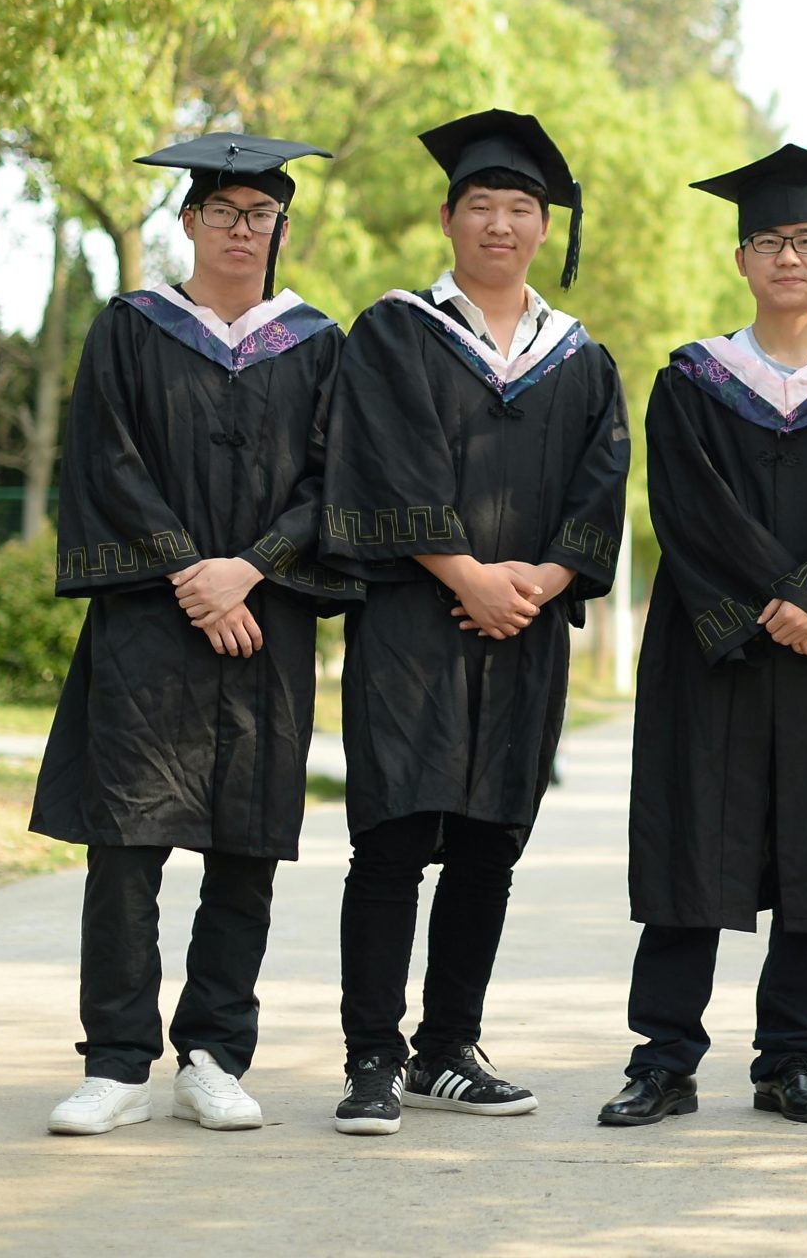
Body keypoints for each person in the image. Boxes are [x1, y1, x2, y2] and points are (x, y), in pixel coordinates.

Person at [34, 131, 358, 1137]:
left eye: (260, 215)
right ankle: (118, 1062)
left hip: (265, 620)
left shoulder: (316, 343)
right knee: (124, 845)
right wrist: (189, 572)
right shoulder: (129, 329)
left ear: (281, 228)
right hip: (148, 615)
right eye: (224, 213)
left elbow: (332, 477)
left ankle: (213, 1055)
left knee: (246, 845)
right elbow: (106, 461)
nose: (242, 230)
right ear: (187, 222)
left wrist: (248, 571)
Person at [317, 109, 630, 1137]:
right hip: (413, 620)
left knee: (491, 841)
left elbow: (600, 485)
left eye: (521, 208)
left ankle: (449, 1047)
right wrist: (464, 574)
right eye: (483, 205)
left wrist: (535, 583)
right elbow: (378, 461)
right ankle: (372, 1055)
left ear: (545, 227)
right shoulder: (396, 330)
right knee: (395, 838)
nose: (501, 224)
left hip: (525, 628)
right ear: (448, 216)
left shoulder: (579, 359)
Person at [598, 146, 807, 1129]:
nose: (790, 256)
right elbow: (689, 511)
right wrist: (779, 603)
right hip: (716, 651)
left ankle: (792, 1058)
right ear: (741, 259)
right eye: (771, 240)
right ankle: (663, 1058)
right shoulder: (693, 380)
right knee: (695, 847)